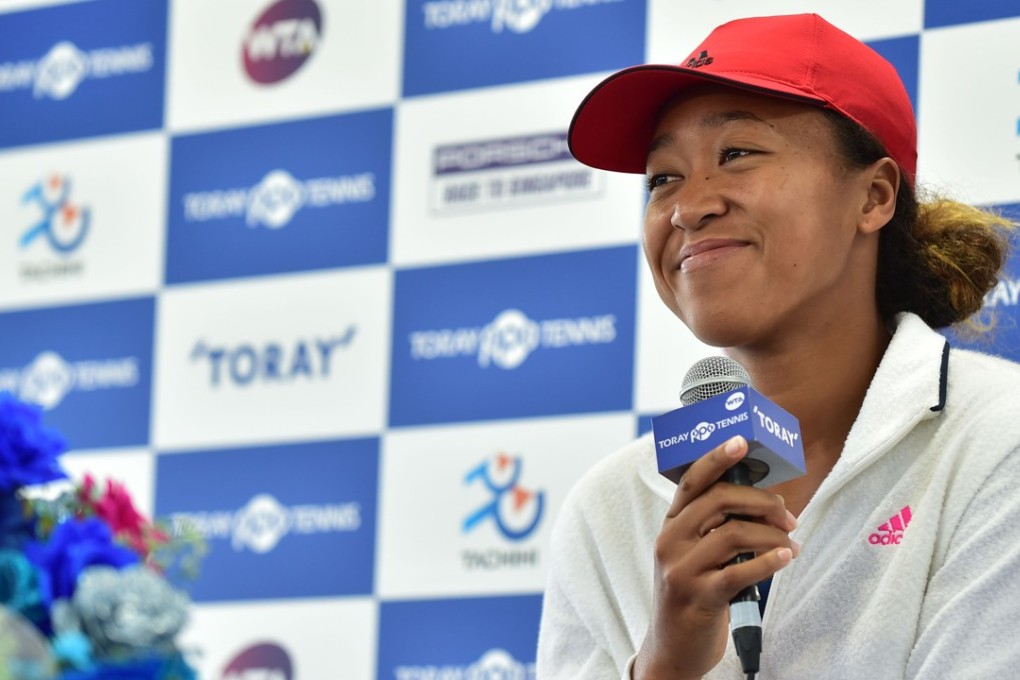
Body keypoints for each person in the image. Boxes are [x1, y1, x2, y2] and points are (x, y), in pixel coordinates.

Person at [536, 13, 1020, 680]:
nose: (688, 207)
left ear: (874, 196)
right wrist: (664, 664)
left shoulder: (998, 439)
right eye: (661, 179)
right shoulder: (609, 507)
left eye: (735, 154)